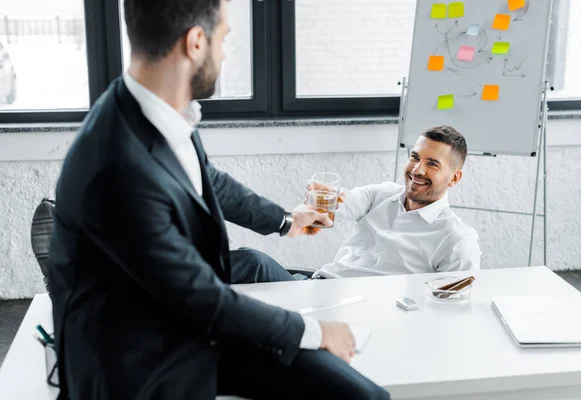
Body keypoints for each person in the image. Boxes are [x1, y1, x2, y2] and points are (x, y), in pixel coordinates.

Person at [47, 0, 390, 399]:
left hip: (179, 317)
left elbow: (205, 177)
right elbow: (201, 298)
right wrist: (311, 331)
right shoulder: (118, 167)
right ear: (196, 42)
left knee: (363, 394)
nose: (224, 52)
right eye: (223, 38)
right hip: (142, 357)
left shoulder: (152, 107)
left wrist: (284, 220)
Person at [314, 125, 481, 279]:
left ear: (454, 178)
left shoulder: (457, 241)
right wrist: (320, 199)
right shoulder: (382, 194)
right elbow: (342, 203)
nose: (417, 170)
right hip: (319, 283)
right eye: (415, 157)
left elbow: (453, 303)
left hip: (357, 307)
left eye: (432, 164)